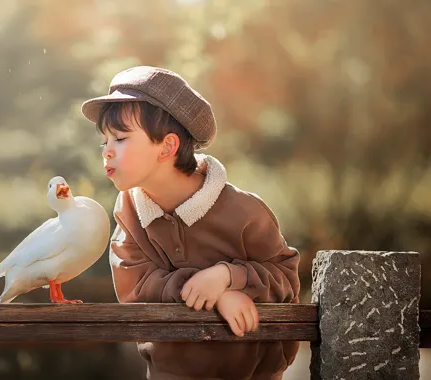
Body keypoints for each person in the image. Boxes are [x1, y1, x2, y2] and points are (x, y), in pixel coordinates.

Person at [81, 66, 300, 380]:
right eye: (104, 141)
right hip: (173, 371)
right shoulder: (129, 209)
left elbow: (286, 276)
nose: (107, 152)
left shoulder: (243, 210)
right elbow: (133, 285)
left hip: (252, 373)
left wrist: (229, 276)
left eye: (120, 138)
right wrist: (213, 293)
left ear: (168, 147)